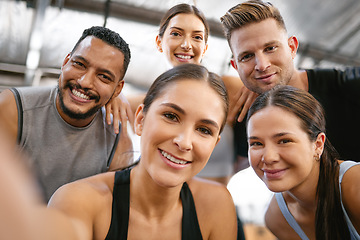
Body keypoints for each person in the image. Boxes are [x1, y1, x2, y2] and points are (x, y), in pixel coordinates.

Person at [0, 64, 238, 240]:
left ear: (215, 144)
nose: (184, 142)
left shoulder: (217, 204)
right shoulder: (80, 201)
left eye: (204, 130)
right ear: (140, 120)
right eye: (171, 116)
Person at [107, 3, 256, 186]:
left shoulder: (233, 89)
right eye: (176, 34)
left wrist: (255, 84)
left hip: (208, 206)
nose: (186, 45)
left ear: (205, 47)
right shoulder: (147, 102)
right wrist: (115, 95)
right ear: (159, 42)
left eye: (197, 37)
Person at [220, 0, 360, 171]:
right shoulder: (246, 115)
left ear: (292, 47)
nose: (262, 65)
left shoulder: (346, 86)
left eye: (270, 48)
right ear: (236, 66)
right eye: (247, 56)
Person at [0, 26, 133, 202]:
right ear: (65, 62)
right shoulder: (14, 107)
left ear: (118, 89)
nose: (85, 82)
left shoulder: (119, 144)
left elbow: (109, 213)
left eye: (104, 77)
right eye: (79, 64)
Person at [246, 85, 360, 240]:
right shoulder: (276, 218)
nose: (268, 157)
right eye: (256, 143)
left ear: (318, 144)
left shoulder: (354, 184)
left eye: (284, 141)